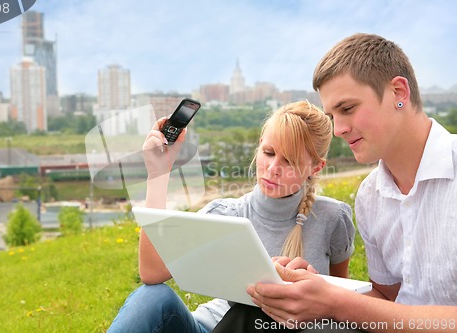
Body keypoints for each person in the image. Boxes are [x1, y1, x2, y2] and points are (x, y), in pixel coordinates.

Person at [213, 33, 457, 333]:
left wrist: (335, 302)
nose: (338, 130)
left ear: (398, 92)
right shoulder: (370, 195)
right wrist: (316, 287)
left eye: (348, 109)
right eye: (332, 115)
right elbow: (389, 302)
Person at [106, 100, 356, 332]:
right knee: (153, 297)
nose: (272, 169)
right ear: (259, 145)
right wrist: (158, 172)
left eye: (289, 161)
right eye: (269, 153)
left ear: (316, 167)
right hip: (213, 327)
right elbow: (152, 273)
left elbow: (339, 305)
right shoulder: (225, 214)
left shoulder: (333, 218)